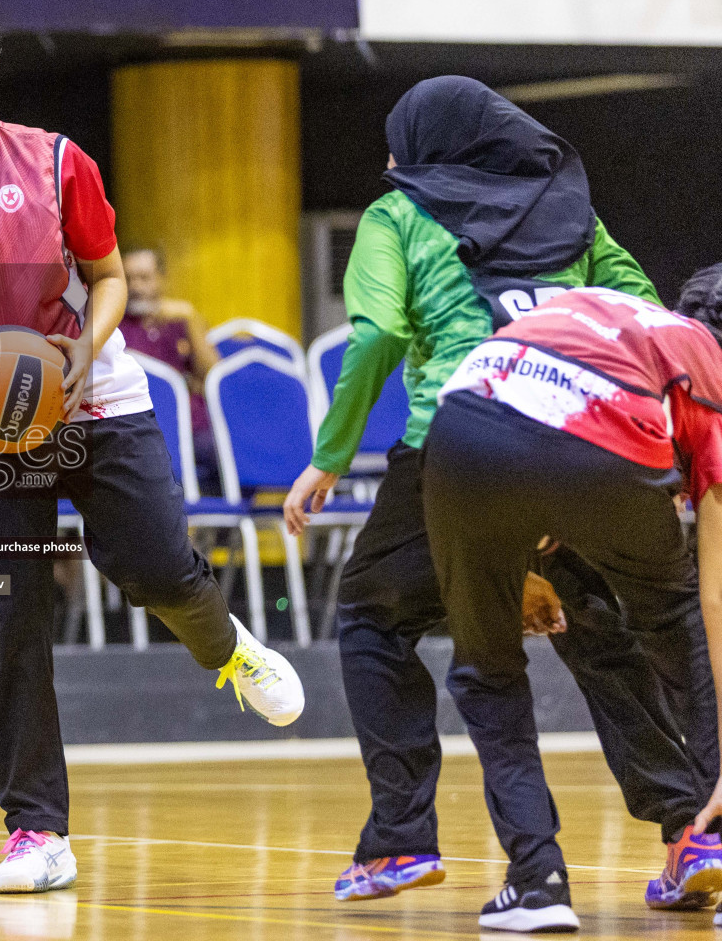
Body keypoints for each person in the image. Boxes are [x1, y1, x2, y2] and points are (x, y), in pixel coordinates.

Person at [0, 0, 304, 896]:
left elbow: (106, 282)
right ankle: (36, 830)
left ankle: (229, 649)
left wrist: (77, 354)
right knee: (3, 621)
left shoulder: (57, 161)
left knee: (157, 570)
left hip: (92, 397)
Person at [282, 76, 718, 917]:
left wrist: (329, 456)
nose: (387, 159)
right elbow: (638, 314)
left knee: (375, 615)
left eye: (397, 141)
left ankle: (403, 839)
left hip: (463, 432)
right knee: (603, 630)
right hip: (594, 428)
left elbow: (374, 335)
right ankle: (691, 828)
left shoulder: (398, 214)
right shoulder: (572, 215)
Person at [423, 278, 722, 931]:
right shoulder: (709, 374)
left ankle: (539, 882)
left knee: (498, 667)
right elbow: (714, 597)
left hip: (463, 433)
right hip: (593, 442)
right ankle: (712, 825)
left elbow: (511, 396)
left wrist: (521, 558)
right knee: (677, 625)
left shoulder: (613, 310)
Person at [118, 247, 220, 486]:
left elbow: (216, 378)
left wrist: (191, 318)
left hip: (193, 428)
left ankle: (224, 523)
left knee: (231, 448)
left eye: (144, 278)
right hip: (137, 428)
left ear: (161, 280)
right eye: (128, 279)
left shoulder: (180, 322)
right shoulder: (114, 327)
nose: (136, 288)